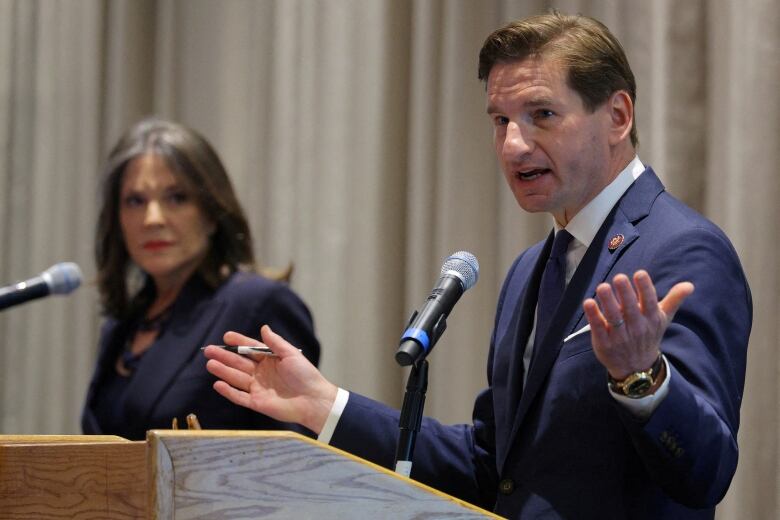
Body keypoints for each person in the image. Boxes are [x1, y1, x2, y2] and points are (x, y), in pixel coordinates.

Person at [203, 11, 751, 519]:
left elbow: (704, 474)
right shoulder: (526, 272)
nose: (514, 145)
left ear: (617, 115)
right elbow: (493, 470)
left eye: (542, 115)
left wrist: (643, 379)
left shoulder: (682, 250)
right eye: (500, 120)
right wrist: (326, 406)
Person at [81, 117, 320, 441]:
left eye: (176, 197)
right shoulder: (121, 325)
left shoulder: (259, 305)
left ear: (211, 212)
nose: (153, 219)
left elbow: (292, 459)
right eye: (135, 201)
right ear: (117, 219)